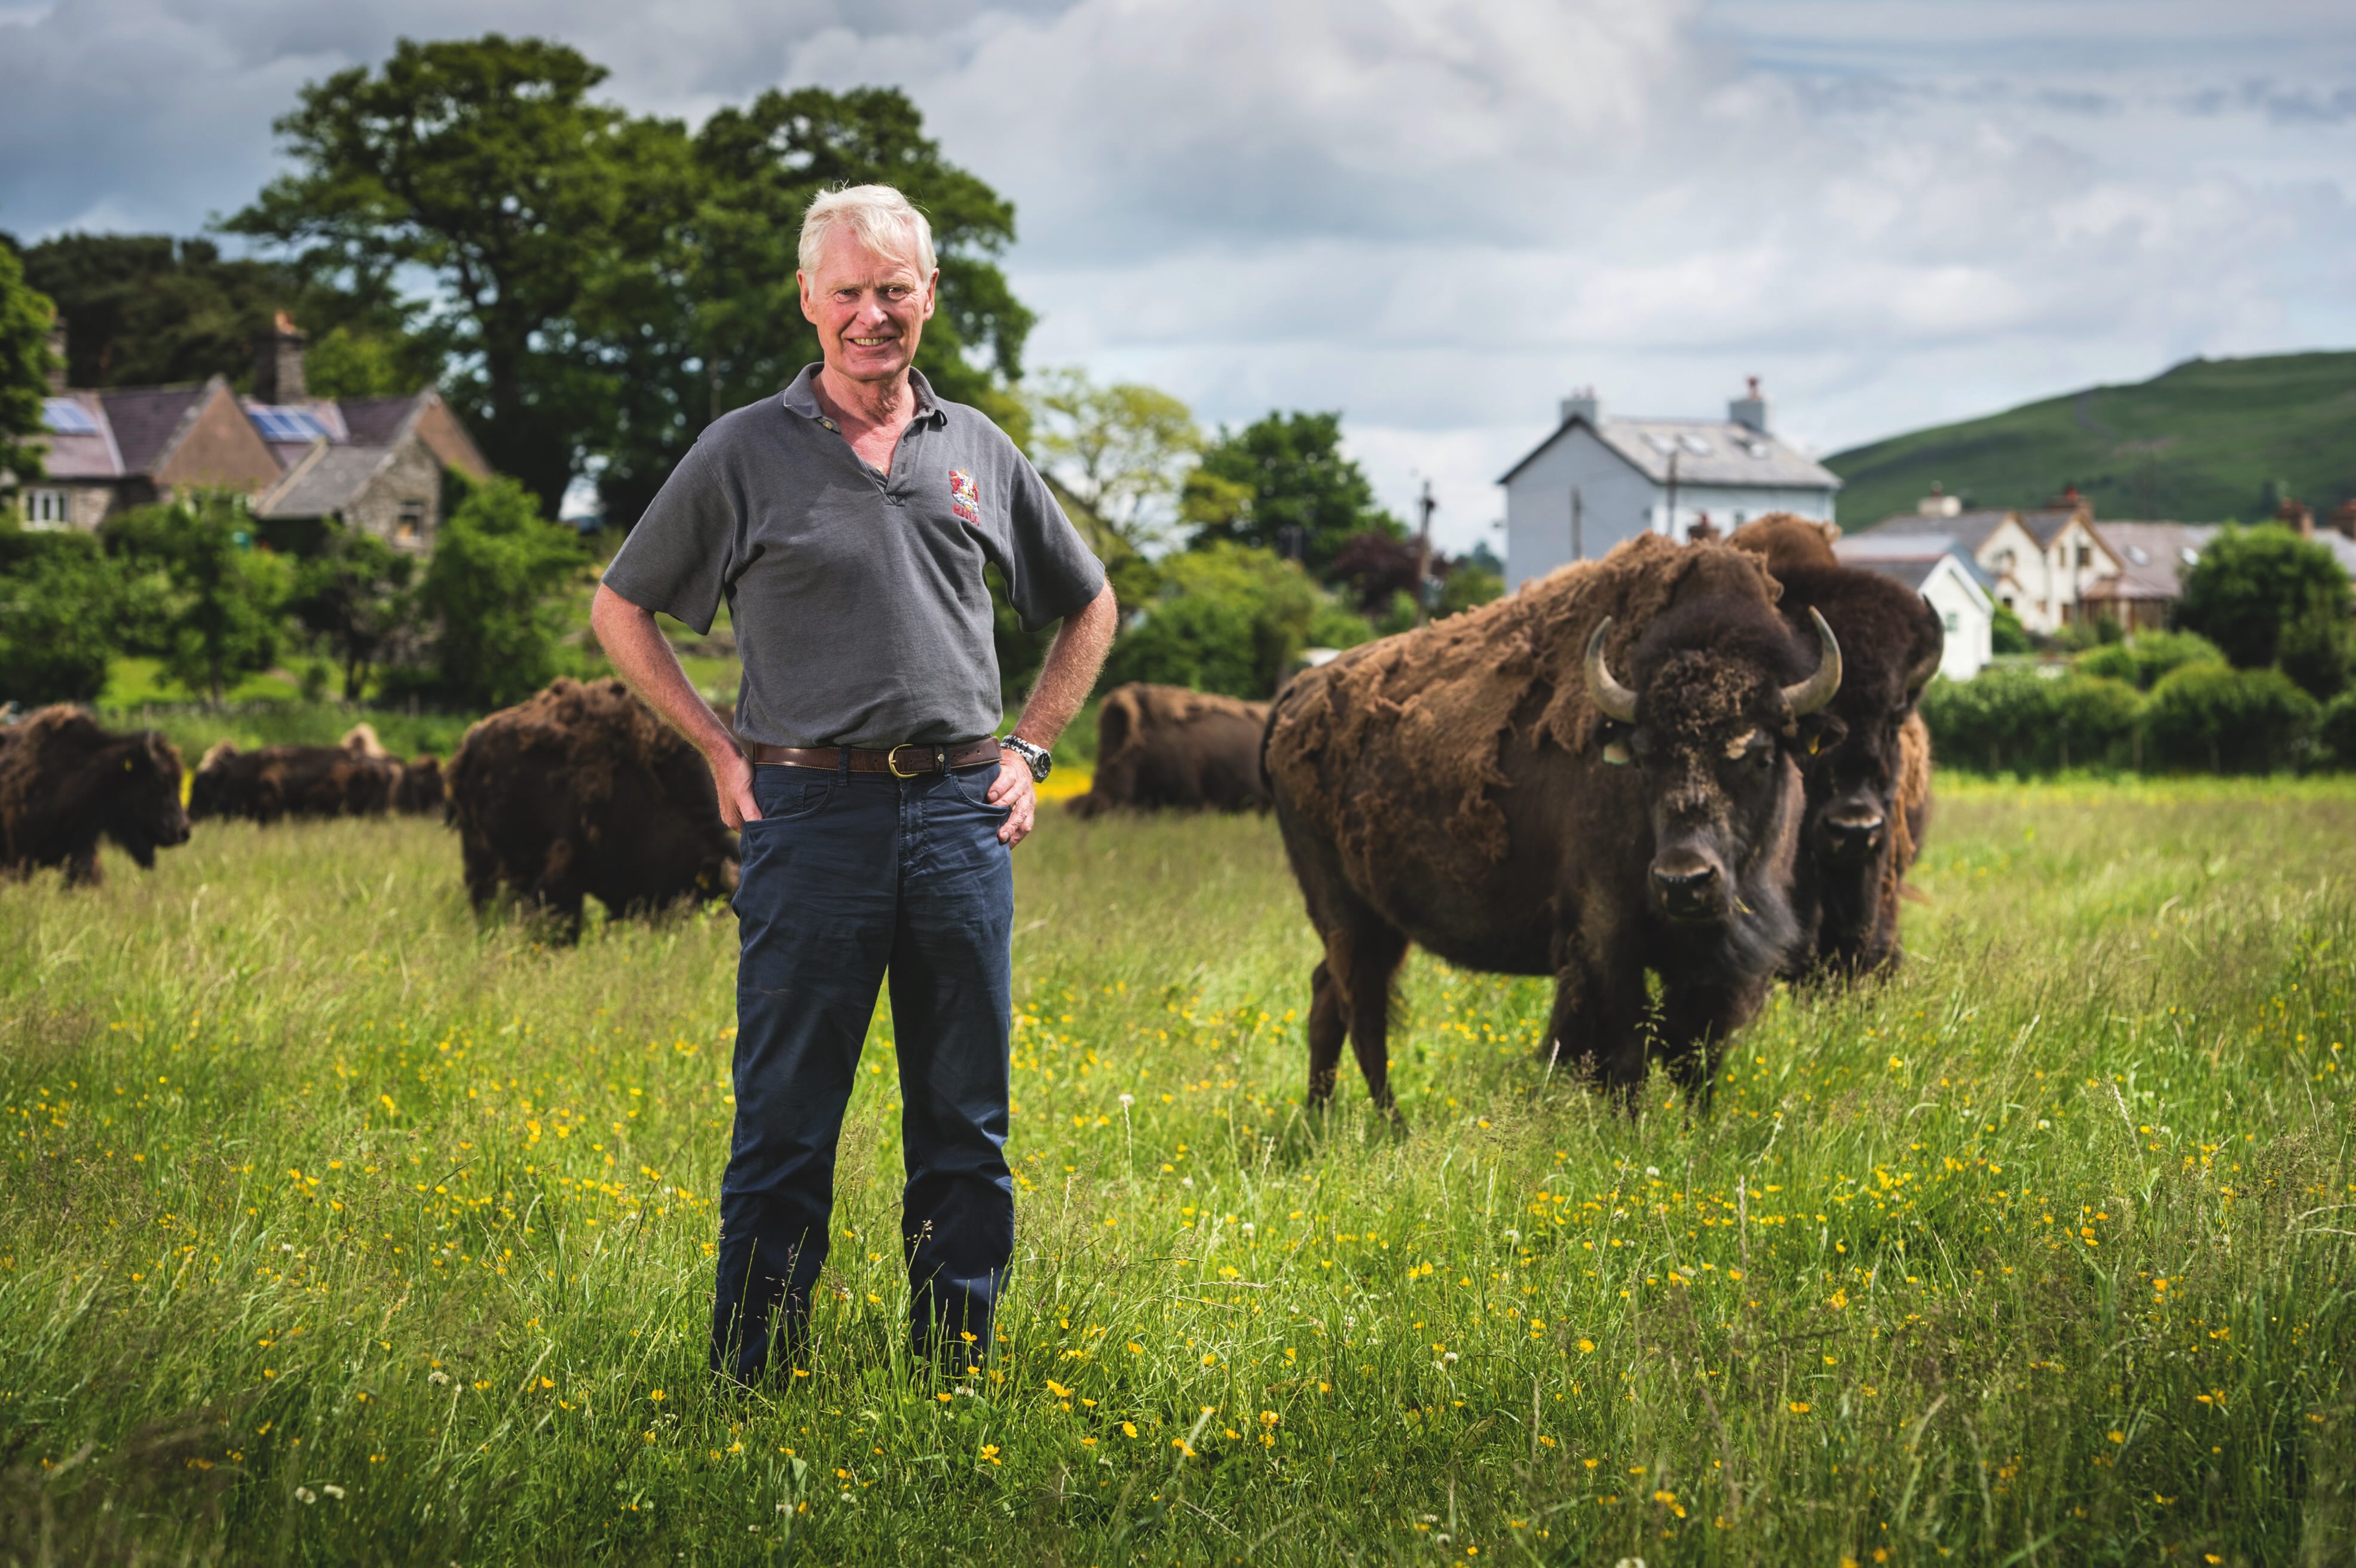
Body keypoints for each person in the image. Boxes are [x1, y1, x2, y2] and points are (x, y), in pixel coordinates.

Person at [591, 183, 1116, 1383]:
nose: (872, 315)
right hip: (808, 815)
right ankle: (753, 1380)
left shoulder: (976, 446)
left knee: (965, 1128)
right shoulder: (742, 451)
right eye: (850, 292)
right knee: (784, 1124)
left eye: (895, 291)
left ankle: (954, 1378)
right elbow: (619, 607)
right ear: (808, 300)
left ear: (929, 295)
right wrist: (718, 748)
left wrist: (1032, 749)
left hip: (958, 819)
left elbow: (1089, 602)